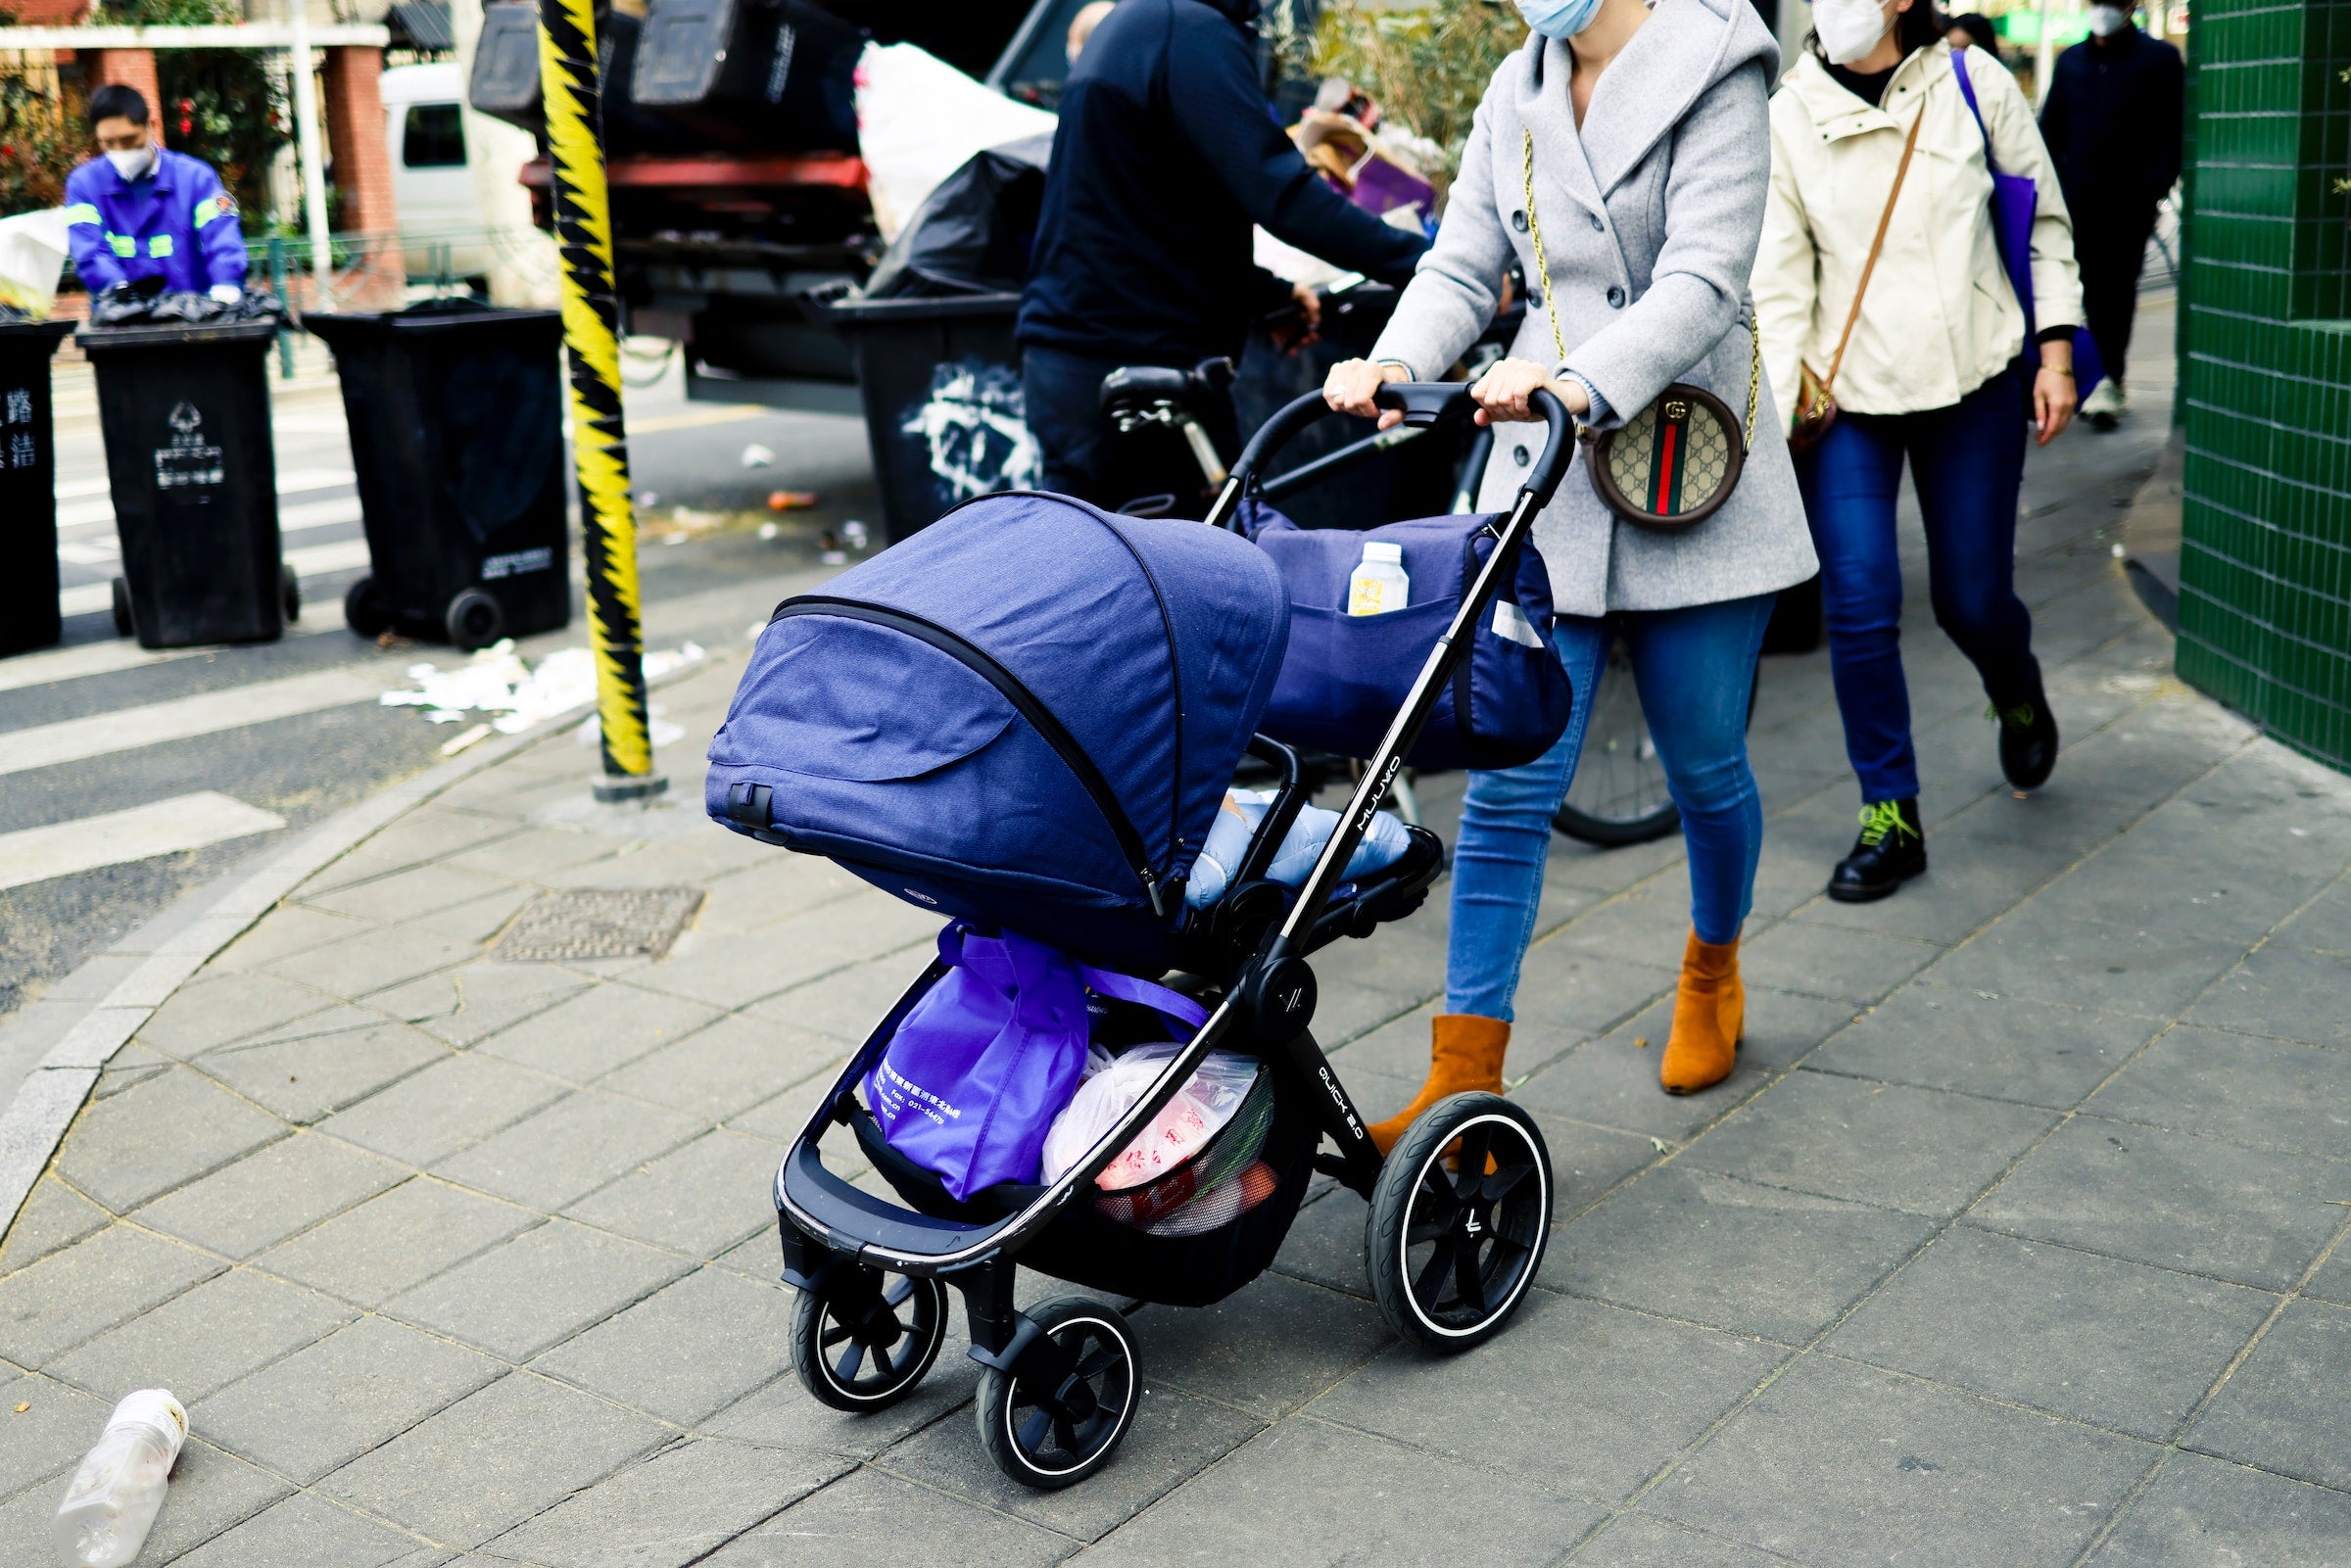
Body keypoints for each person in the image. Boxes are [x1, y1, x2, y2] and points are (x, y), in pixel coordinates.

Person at [1325, 0, 1816, 1117]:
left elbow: (1704, 278)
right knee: (1508, 786)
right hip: (1546, 474)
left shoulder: (1720, 65)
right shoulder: (1521, 85)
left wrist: (1578, 380)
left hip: (1688, 458)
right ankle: (1461, 1079)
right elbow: (1462, 268)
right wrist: (1393, 362)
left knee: (1702, 763)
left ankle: (1713, 965)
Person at [1752, 0, 2081, 903]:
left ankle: (2016, 689)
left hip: (1974, 379)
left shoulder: (1972, 84)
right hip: (1849, 398)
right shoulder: (1787, 116)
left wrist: (2055, 354)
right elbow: (1778, 285)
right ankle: (1889, 811)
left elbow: (2044, 224)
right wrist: (1778, 423)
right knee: (1858, 603)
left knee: (1972, 601)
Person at [1019, 0, 1427, 510]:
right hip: (1134, 371)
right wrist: (1434, 267)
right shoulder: (1186, 28)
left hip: (1091, 363)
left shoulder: (1145, 21)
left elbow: (1151, 210)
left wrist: (1266, 297)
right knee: (1175, 575)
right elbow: (1279, 192)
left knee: (1104, 570)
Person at [2039, 3, 2183, 429]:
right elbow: (2051, 130)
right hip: (2073, 201)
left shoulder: (2158, 60)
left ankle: (2108, 379)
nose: (2103, 11)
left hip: (2128, 206)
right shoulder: (2071, 62)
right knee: (2068, 289)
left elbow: (2173, 132)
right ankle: (2073, 376)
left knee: (2114, 295)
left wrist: (2151, 190)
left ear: (2131, 7)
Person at [63, 84, 247, 306]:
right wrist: (119, 293)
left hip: (193, 318)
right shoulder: (84, 184)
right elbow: (89, 250)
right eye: (109, 143)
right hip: (120, 323)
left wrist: (226, 286)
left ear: (151, 126)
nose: (120, 150)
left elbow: (222, 238)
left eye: (130, 140)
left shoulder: (196, 178)